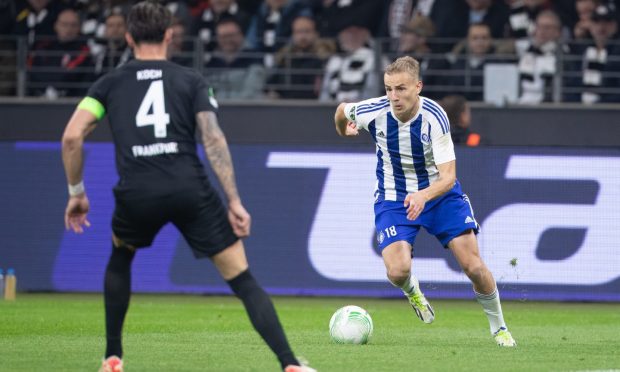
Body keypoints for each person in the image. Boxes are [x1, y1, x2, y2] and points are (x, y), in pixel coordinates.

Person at [61, 2, 314, 372]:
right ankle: (290, 364)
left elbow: (71, 137)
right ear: (169, 35)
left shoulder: (108, 84)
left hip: (138, 191)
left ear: (129, 37)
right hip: (189, 188)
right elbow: (213, 138)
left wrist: (76, 193)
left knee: (121, 257)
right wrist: (234, 200)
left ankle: (113, 356)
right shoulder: (191, 80)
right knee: (243, 279)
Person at [332, 56, 515, 347]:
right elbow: (342, 111)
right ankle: (412, 290)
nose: (394, 96)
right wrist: (345, 130)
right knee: (397, 271)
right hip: (393, 198)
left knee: (474, 267)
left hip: (439, 195)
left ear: (418, 86)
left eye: (401, 89)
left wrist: (423, 195)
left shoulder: (435, 117)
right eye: (389, 89)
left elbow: (449, 177)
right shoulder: (373, 110)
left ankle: (499, 328)